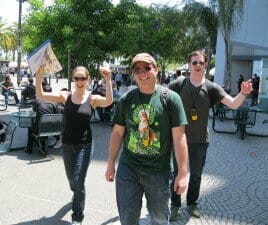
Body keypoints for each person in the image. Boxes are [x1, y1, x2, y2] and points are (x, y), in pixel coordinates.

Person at [168, 50, 253, 221]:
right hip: (179, 139)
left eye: (201, 62)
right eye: (194, 63)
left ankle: (192, 203)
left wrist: (243, 93)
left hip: (200, 140)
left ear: (205, 64)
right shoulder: (179, 84)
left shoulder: (212, 88)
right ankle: (175, 205)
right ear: (189, 64)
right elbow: (162, 99)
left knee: (197, 174)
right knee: (177, 172)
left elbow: (233, 104)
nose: (198, 66)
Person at [105, 53, 189, 225]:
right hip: (128, 169)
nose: (142, 73)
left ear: (156, 70)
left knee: (159, 220)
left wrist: (182, 173)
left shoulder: (171, 99)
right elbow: (117, 133)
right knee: (127, 219)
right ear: (133, 74)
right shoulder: (126, 100)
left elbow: (179, 137)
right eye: (138, 70)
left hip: (159, 171)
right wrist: (110, 164)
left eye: (147, 68)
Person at [35, 65, 113, 225]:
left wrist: (108, 81)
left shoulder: (92, 99)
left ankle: (77, 217)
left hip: (85, 145)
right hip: (67, 144)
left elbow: (109, 101)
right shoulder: (66, 96)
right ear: (73, 79)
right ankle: (77, 193)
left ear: (88, 79)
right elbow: (40, 94)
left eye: (83, 78)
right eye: (77, 78)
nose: (79, 81)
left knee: (78, 180)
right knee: (72, 180)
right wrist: (39, 76)